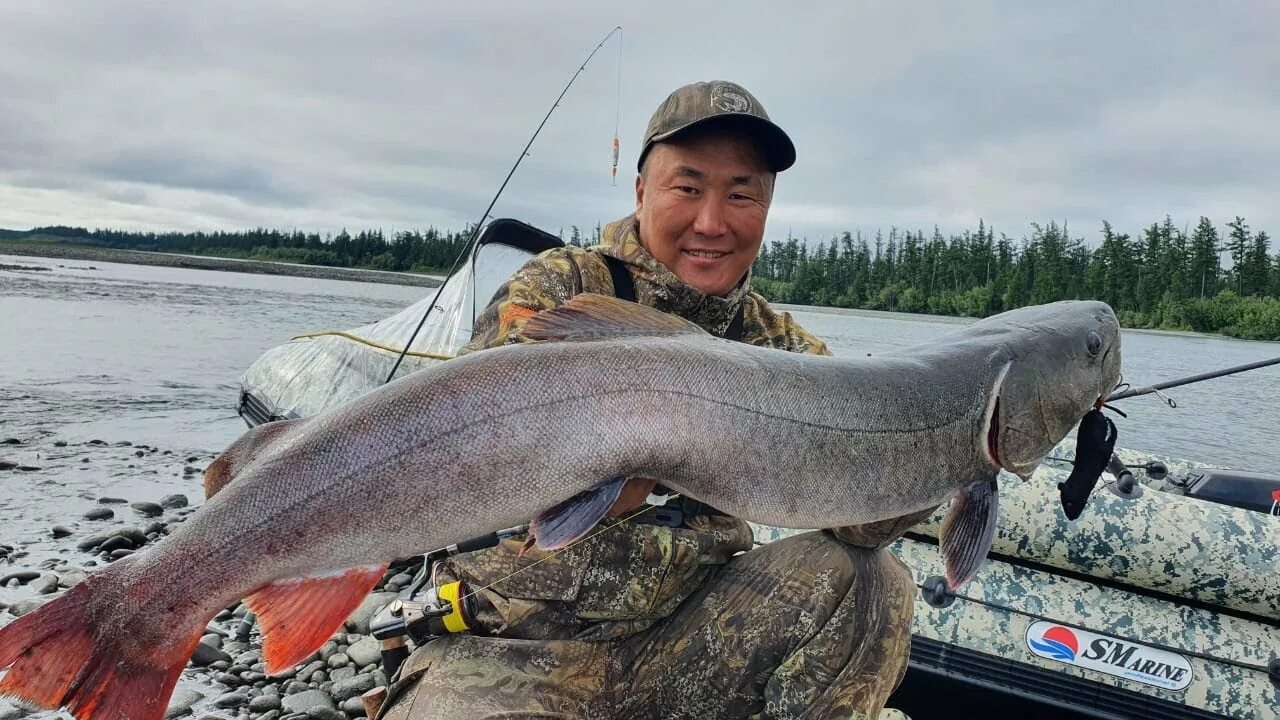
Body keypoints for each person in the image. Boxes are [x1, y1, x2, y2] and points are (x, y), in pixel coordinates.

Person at [377, 80, 931, 720]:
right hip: (515, 652)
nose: (711, 222)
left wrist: (981, 439)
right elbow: (461, 435)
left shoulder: (780, 348)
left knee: (871, 582)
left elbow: (860, 520)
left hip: (685, 644)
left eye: (741, 193)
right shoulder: (565, 285)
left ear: (768, 206)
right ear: (643, 191)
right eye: (688, 188)